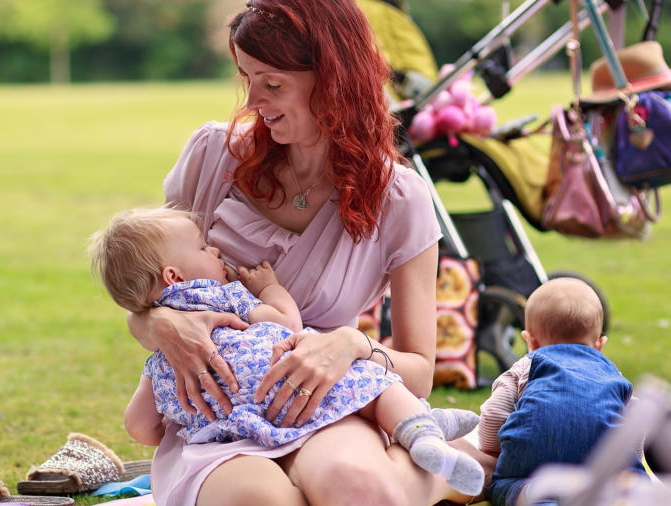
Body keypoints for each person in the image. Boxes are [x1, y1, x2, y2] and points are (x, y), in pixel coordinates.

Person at [118, 1, 489, 504]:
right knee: (263, 501)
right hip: (220, 425)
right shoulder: (212, 157)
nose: (252, 100)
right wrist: (157, 324)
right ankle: (436, 466)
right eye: (246, 78)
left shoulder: (400, 199)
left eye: (272, 84)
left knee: (355, 486)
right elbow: (151, 287)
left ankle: (427, 463)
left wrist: (354, 346)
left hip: (327, 407)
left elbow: (422, 368)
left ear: (333, 81)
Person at [90, 207, 484, 494]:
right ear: (174, 275)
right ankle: (421, 428)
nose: (215, 252)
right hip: (292, 394)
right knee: (368, 386)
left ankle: (427, 441)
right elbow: (286, 324)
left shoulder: (162, 358)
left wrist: (164, 420)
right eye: (203, 247)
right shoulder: (227, 298)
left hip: (234, 424)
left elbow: (139, 426)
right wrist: (269, 288)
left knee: (354, 463)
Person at [477, 278, 643, 506]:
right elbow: (636, 421)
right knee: (627, 485)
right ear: (600, 344)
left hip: (533, 465)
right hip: (602, 465)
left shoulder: (527, 365)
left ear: (530, 341)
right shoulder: (611, 374)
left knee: (507, 486)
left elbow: (495, 412)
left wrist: (491, 450)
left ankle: (538, 495)